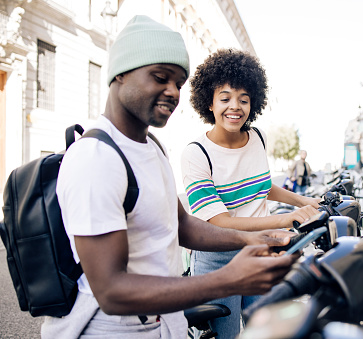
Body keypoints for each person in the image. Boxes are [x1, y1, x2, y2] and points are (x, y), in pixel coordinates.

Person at [41, 16, 298, 338]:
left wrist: (252, 238)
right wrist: (230, 279)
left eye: (179, 83)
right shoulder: (96, 157)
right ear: (120, 73)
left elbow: (182, 225)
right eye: (160, 77)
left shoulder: (150, 146)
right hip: (109, 330)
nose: (172, 92)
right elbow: (111, 290)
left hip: (160, 324)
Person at [180, 48, 321, 339]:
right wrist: (285, 220)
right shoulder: (196, 154)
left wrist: (304, 201)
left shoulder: (257, 137)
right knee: (227, 336)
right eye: (226, 98)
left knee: (269, 332)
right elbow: (219, 221)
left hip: (260, 251)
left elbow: (261, 187)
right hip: (217, 258)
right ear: (209, 102)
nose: (235, 107)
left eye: (244, 99)